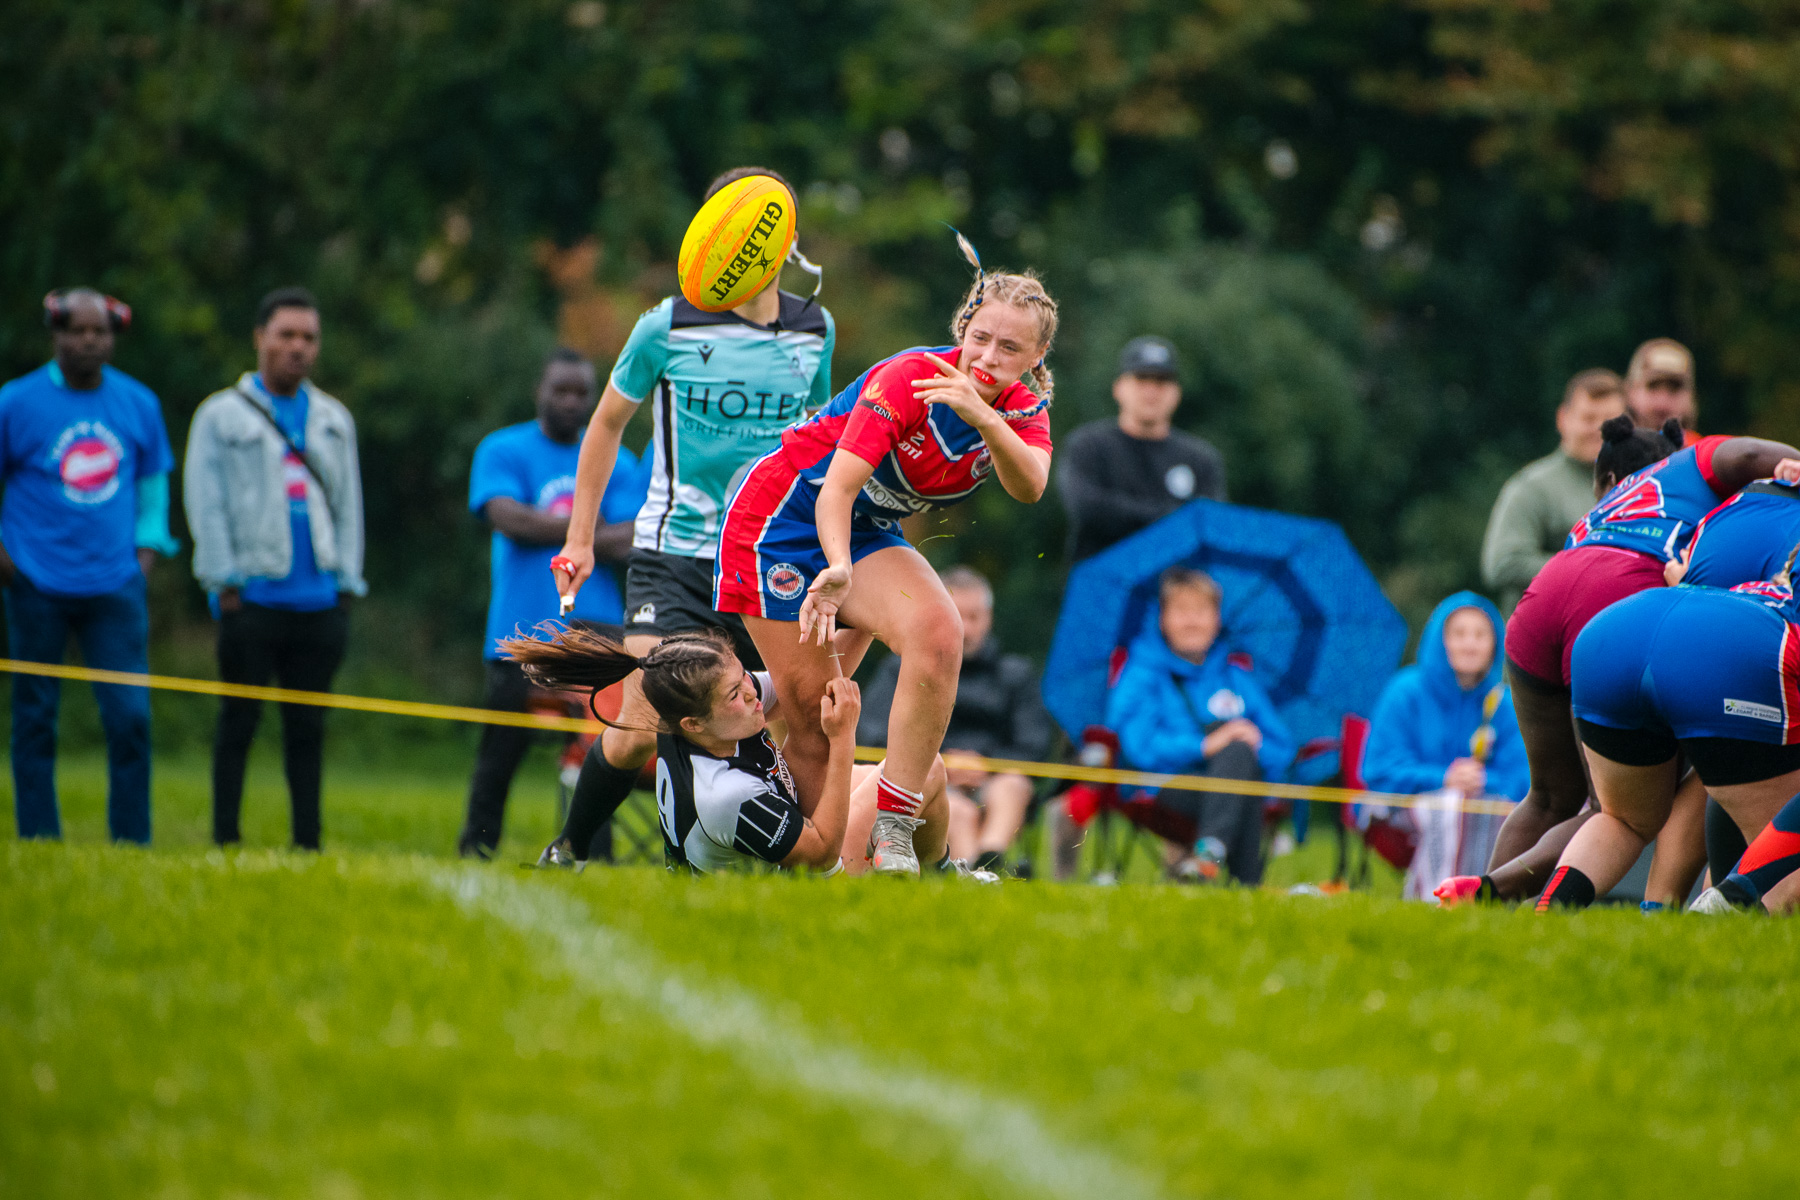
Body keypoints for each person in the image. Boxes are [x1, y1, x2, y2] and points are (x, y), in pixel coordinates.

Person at [712, 249, 1058, 876]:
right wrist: (839, 570)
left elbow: (1030, 485)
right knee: (818, 721)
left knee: (939, 631)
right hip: (779, 523)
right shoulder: (906, 378)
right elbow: (837, 490)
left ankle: (895, 833)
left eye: (1010, 349)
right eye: (980, 338)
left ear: (1036, 359)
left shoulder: (1021, 412)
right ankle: (798, 866)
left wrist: (981, 413)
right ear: (962, 330)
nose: (987, 357)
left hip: (864, 529)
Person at [537, 166, 835, 869]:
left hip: (767, 562)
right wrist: (580, 538)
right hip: (674, 556)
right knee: (648, 724)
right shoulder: (665, 326)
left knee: (786, 718)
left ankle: (769, 858)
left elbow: (818, 448)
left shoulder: (813, 330)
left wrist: (831, 551)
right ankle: (574, 846)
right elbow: (606, 425)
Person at [1472, 417, 1800, 902]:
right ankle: (1699, 907)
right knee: (1703, 784)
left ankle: (1496, 899)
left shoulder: (1702, 514)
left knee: (1575, 803)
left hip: (1574, 609)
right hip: (1644, 600)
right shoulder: (1698, 471)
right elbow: (1749, 453)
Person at [501, 625, 990, 879]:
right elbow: (818, 854)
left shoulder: (708, 713)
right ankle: (940, 877)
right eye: (737, 694)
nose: (752, 695)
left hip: (786, 844)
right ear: (694, 725)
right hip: (803, 887)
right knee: (920, 772)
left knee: (921, 768)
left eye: (742, 678)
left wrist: (865, 622)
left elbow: (804, 687)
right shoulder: (725, 794)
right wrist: (842, 741)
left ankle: (940, 872)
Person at [184, 287, 366, 851]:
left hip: (320, 604)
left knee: (307, 730)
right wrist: (224, 583)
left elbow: (349, 507)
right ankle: (225, 841)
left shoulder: (334, 417)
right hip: (252, 600)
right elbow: (205, 503)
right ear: (260, 337)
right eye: (286, 334)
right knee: (238, 723)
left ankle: (307, 845)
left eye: (309, 337)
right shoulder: (220, 415)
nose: (298, 347)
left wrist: (347, 584)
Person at [1, 288, 178, 843]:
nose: (89, 341)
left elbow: (153, 487)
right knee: (35, 717)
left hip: (114, 585)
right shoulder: (15, 401)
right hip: (34, 580)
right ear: (55, 333)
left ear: (114, 337)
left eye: (99, 332)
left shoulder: (138, 404)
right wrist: (7, 561)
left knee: (129, 718)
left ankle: (131, 841)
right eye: (77, 331)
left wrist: (145, 554)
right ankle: (39, 837)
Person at [455, 349, 647, 859]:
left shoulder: (616, 458)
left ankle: (591, 852)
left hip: (597, 633)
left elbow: (633, 537)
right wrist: (588, 531)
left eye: (582, 393)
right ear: (538, 390)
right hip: (518, 632)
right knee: (501, 751)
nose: (571, 402)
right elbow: (506, 518)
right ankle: (477, 847)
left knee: (598, 750)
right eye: (560, 390)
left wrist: (558, 529)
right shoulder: (503, 449)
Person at [1537, 558, 1800, 909]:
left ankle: (1551, 907)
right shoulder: (1780, 618)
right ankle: (1715, 917)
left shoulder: (1739, 587)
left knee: (1623, 819)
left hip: (1616, 630)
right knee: (1782, 857)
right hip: (1729, 654)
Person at [1105, 567, 1293, 884]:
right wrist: (1206, 745)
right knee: (1238, 761)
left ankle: (1209, 857)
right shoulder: (1142, 674)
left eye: (1202, 611)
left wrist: (1248, 740)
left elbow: (1282, 748)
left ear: (1217, 619)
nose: (1192, 621)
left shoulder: (1235, 676)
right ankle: (1245, 883)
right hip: (1166, 788)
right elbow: (1140, 747)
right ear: (1162, 619)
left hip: (1236, 782)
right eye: (1181, 611)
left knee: (1240, 755)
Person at [857, 565, 1050, 873]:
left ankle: (990, 860)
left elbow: (1034, 744)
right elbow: (873, 733)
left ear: (989, 619)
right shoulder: (901, 670)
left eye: (974, 617)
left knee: (1012, 786)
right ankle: (976, 872)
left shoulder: (1017, 675)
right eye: (958, 616)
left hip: (997, 781)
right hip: (931, 782)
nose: (967, 629)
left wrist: (985, 765)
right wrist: (944, 762)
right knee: (955, 809)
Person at [1360, 593, 1527, 899]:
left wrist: (1482, 780)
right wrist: (1444, 778)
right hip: (1401, 802)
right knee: (1451, 809)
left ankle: (1494, 901)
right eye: (1459, 634)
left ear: (1495, 644)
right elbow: (1379, 768)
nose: (1470, 644)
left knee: (1507, 813)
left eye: (1480, 634)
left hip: (1482, 802)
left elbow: (1523, 775)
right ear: (1441, 639)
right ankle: (1434, 900)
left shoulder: (1503, 702)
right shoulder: (1405, 690)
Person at [1058, 336, 1225, 562]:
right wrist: (1170, 518)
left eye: (1161, 381)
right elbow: (1088, 509)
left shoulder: (1201, 459)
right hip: (1103, 583)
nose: (1151, 390)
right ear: (1118, 387)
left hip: (1174, 587)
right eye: (1141, 378)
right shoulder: (1089, 446)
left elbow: (1208, 524)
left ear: (1177, 392)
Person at [1480, 369, 1625, 612]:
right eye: (1589, 419)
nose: (1600, 431)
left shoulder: (1639, 486)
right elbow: (1502, 564)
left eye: (1610, 420)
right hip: (1547, 640)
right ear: (1562, 419)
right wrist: (1586, 571)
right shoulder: (1532, 488)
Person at [1623, 338, 1698, 438]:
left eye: (1674, 389)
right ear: (1631, 391)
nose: (1662, 403)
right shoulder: (1606, 449)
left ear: (1690, 397)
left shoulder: (1700, 451)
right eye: (1652, 387)